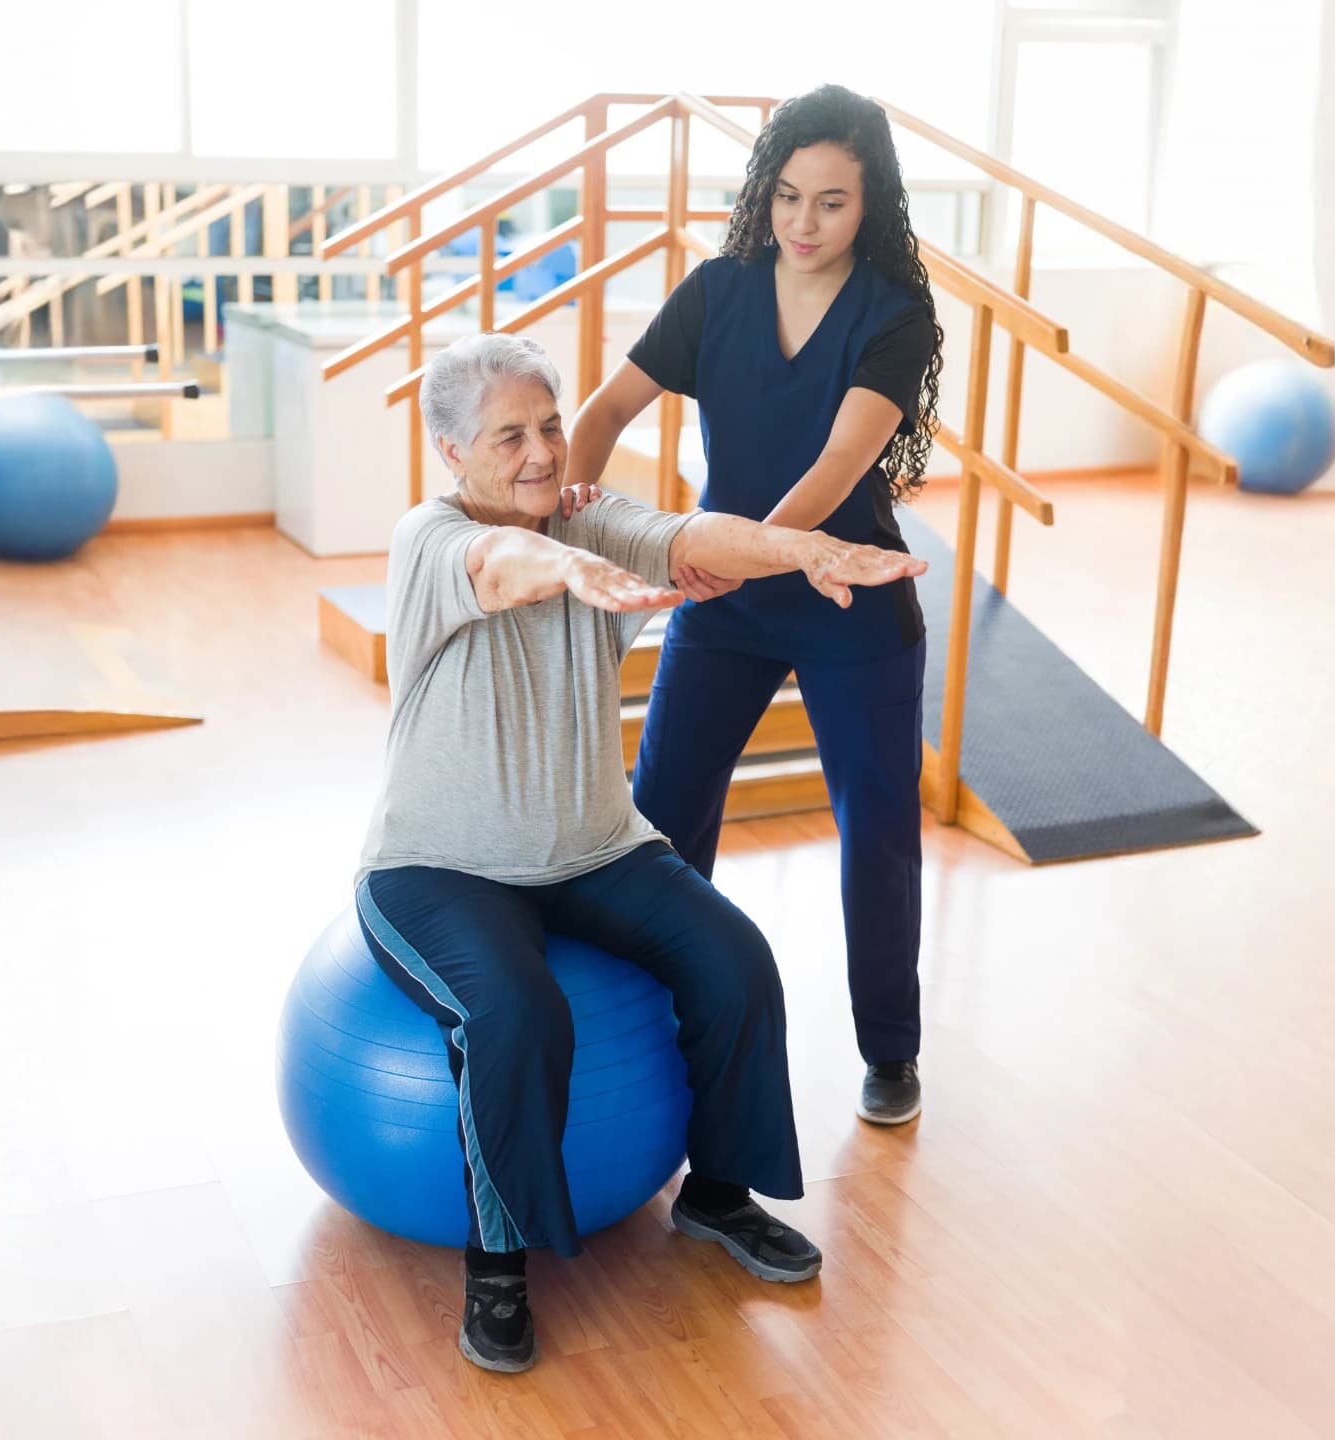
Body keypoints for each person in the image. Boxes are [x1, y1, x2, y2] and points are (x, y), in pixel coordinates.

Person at [355, 331, 927, 1373]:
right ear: (451, 452)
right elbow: (502, 565)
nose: (541, 452)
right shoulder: (429, 539)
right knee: (514, 1013)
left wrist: (801, 550)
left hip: (594, 849)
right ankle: (498, 1265)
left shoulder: (587, 515)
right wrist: (571, 566)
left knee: (735, 962)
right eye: (509, 437)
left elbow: (694, 535)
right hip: (439, 869)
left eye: (549, 425)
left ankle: (716, 1195)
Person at [563, 84, 945, 1127]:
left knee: (876, 832)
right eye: (786, 195)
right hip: (725, 596)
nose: (802, 222)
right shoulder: (718, 290)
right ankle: (653, 1014)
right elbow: (605, 409)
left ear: (869, 204)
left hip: (846, 596)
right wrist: (566, 525)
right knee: (662, 811)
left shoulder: (895, 316)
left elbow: (836, 466)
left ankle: (890, 1051)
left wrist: (737, 555)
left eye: (830, 201)